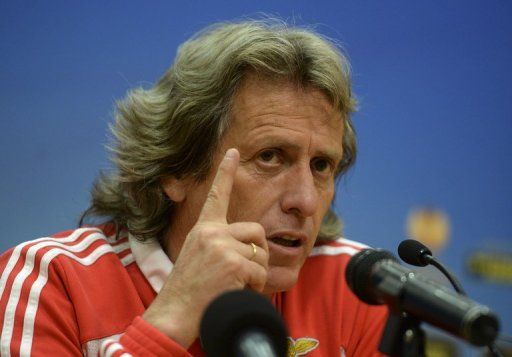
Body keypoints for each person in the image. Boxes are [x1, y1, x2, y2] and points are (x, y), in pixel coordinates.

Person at [0, 19, 387, 356]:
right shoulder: (52, 283)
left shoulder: (359, 288)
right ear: (177, 170)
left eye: (321, 165)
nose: (304, 200)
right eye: (270, 157)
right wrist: (173, 317)